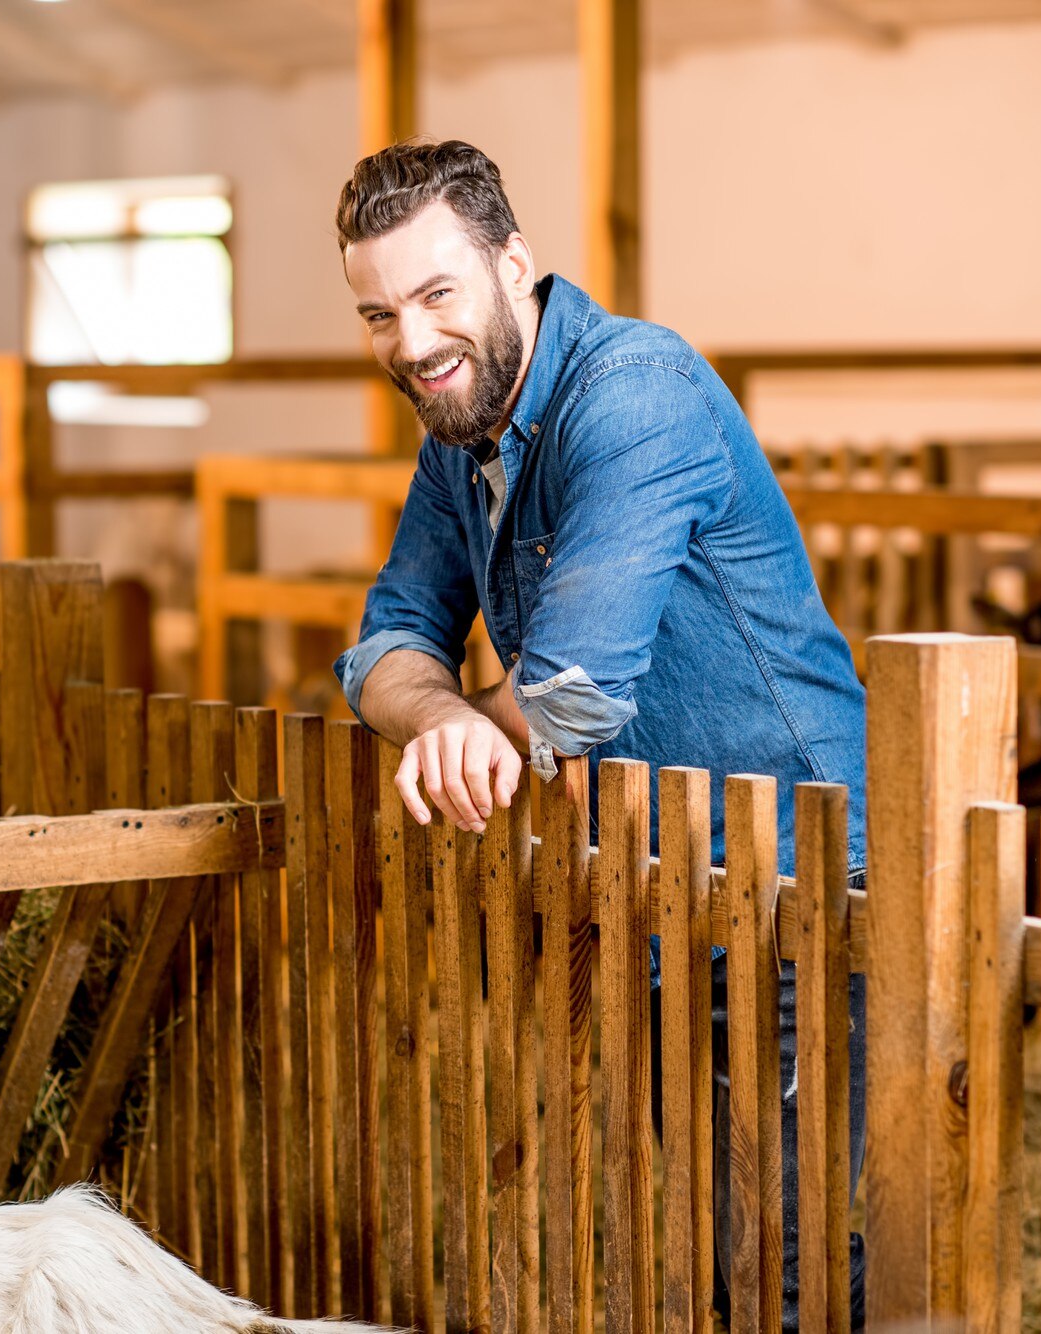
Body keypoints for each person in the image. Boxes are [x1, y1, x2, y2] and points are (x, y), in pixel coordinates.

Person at [330, 138, 870, 1327]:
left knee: (793, 1265)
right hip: (663, 884)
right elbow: (385, 644)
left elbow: (574, 691)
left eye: (434, 293)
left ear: (511, 264)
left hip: (797, 875)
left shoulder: (635, 391)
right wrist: (441, 720)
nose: (410, 341)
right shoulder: (460, 433)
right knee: (716, 1244)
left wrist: (463, 724)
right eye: (378, 314)